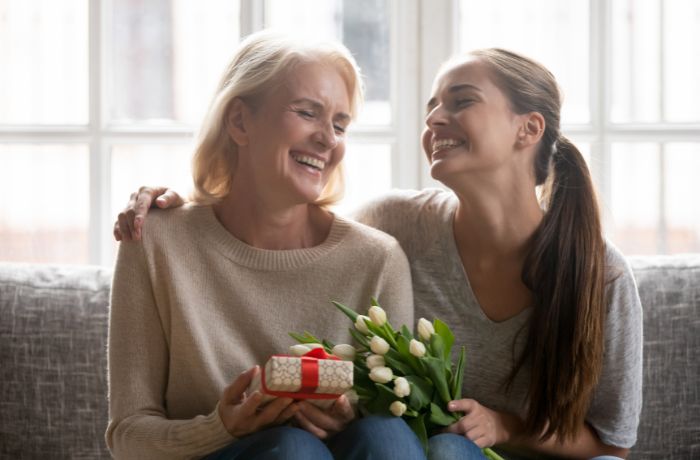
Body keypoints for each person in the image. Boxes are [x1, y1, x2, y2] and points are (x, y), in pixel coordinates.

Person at [115, 48, 643, 460]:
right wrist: (180, 207)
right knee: (416, 444)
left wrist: (509, 425)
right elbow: (282, 215)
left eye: (460, 101)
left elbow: (612, 442)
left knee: (423, 445)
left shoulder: (601, 275)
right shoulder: (396, 227)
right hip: (413, 451)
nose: (435, 118)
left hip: (493, 454)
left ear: (528, 129)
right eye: (432, 105)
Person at [106, 30, 423, 460]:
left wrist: (350, 416)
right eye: (308, 113)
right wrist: (222, 428)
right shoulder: (156, 240)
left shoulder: (377, 259)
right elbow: (128, 436)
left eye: (339, 124)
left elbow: (392, 418)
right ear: (239, 122)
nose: (328, 139)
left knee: (387, 434)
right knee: (293, 448)